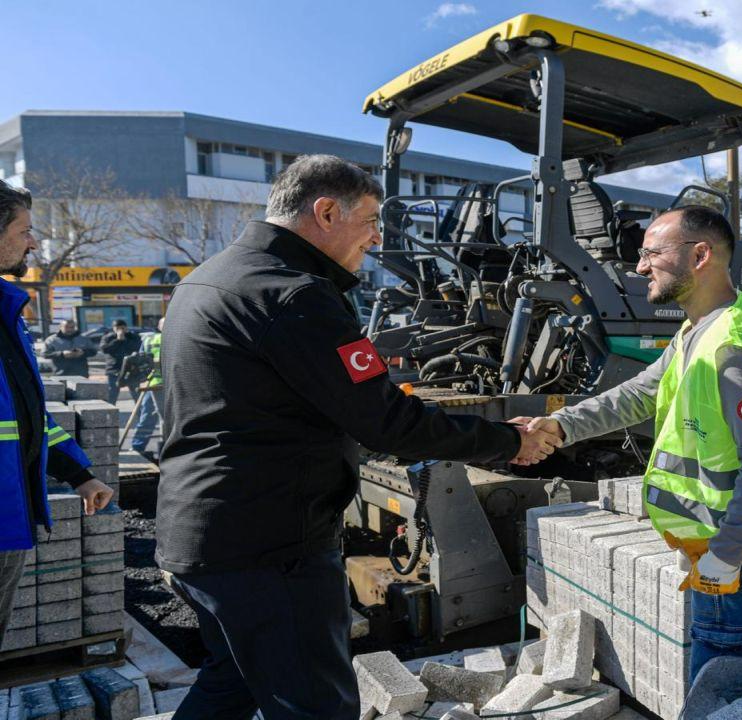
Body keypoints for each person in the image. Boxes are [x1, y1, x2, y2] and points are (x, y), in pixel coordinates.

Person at [156, 155, 559, 719]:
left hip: (203, 533)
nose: (375, 238)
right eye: (370, 221)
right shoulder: (294, 295)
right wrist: (507, 441)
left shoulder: (209, 278)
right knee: (316, 704)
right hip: (271, 547)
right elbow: (387, 421)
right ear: (324, 211)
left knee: (233, 682)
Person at [513, 205, 742, 684]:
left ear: (700, 254)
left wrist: (725, 554)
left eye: (651, 253)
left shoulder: (731, 347)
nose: (640, 266)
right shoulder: (708, 324)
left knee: (720, 687)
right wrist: (558, 426)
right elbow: (643, 390)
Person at [0, 180, 113, 637]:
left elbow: (25, 417)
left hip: (10, 516)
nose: (33, 241)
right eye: (24, 230)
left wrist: (78, 474)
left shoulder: (7, 311)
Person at [129, 319, 163, 463]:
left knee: (150, 417)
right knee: (154, 417)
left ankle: (138, 446)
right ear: (159, 326)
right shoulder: (174, 336)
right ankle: (138, 446)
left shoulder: (149, 339)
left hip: (153, 382)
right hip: (160, 383)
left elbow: (140, 360)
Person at [99, 319, 142, 404]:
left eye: (122, 328)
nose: (120, 330)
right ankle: (111, 414)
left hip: (131, 369)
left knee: (136, 394)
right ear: (113, 328)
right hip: (114, 369)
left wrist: (124, 340)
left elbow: (138, 347)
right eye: (117, 328)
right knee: (112, 394)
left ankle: (140, 414)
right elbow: (105, 349)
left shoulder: (133, 336)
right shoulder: (108, 337)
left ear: (126, 328)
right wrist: (118, 340)